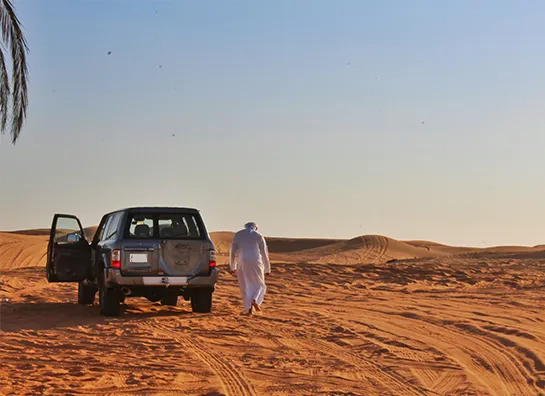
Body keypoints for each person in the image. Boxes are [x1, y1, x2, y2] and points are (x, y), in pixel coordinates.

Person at [229, 222, 271, 315]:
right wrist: (268, 269)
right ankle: (255, 299)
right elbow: (264, 253)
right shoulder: (258, 235)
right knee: (260, 284)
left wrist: (233, 266)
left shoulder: (238, 234)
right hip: (256, 261)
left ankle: (248, 309)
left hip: (242, 262)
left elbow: (233, 252)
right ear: (255, 228)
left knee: (245, 285)